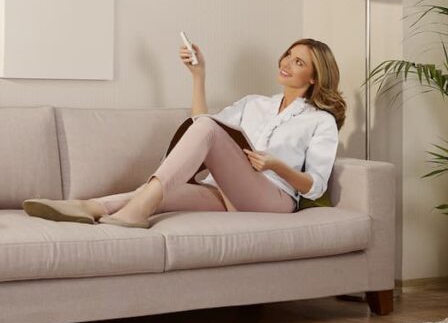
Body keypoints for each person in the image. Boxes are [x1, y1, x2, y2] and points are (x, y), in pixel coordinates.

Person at [22, 38, 346, 228]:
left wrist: (277, 166)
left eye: (299, 61)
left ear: (315, 77)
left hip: (272, 199)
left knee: (206, 128)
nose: (287, 62)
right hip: (225, 193)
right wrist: (198, 76)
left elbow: (315, 188)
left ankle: (137, 212)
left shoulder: (320, 122)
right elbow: (201, 130)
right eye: (289, 54)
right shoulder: (254, 104)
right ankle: (88, 207)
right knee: (171, 186)